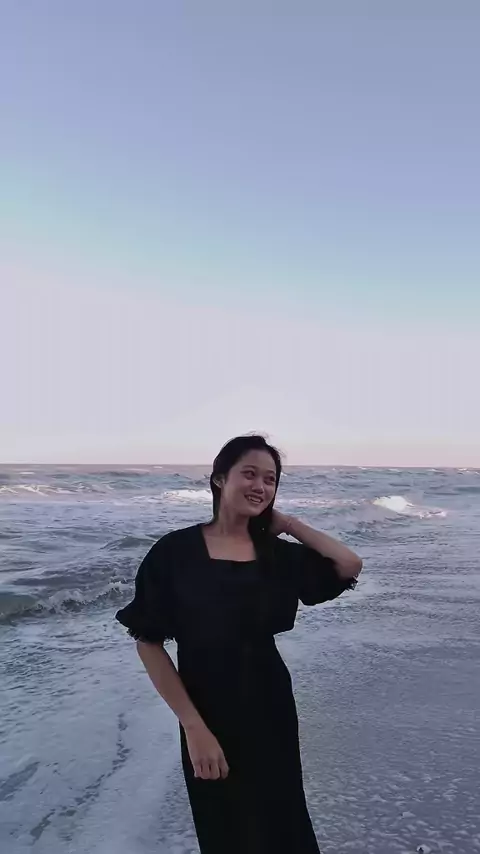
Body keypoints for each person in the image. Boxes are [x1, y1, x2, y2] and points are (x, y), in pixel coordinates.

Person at [116, 434, 362, 853]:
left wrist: (289, 524)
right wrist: (194, 728)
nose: (260, 486)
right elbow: (148, 643)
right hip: (207, 713)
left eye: (270, 479)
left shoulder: (276, 555)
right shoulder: (174, 553)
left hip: (271, 706)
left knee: (284, 826)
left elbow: (348, 563)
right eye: (249, 474)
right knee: (225, 830)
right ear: (219, 478)